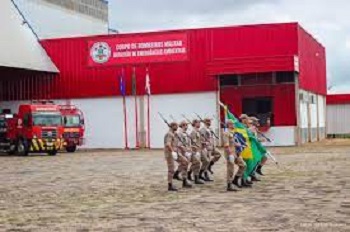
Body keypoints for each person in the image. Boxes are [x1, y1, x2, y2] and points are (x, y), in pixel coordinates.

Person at [164, 122, 191, 191]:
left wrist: (184, 149)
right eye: (176, 126)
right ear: (172, 126)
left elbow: (178, 143)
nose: (177, 127)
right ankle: (170, 185)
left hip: (177, 152)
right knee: (171, 169)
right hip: (170, 153)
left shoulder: (174, 134)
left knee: (185, 162)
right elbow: (168, 144)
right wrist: (172, 152)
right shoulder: (169, 134)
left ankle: (184, 180)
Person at [223, 120, 247, 191]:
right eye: (233, 124)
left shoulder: (232, 133)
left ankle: (235, 179)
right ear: (229, 125)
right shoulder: (226, 133)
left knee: (243, 165)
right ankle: (229, 185)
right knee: (231, 169)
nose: (234, 125)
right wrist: (230, 154)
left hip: (235, 152)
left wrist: (241, 144)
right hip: (230, 153)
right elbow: (226, 145)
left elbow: (232, 143)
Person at [188, 119, 206, 184]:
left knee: (205, 161)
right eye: (198, 123)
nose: (199, 124)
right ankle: (196, 178)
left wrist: (204, 143)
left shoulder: (198, 131)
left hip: (200, 149)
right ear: (195, 123)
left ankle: (190, 173)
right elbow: (194, 142)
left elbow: (199, 141)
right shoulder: (193, 132)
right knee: (197, 164)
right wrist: (196, 151)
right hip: (196, 150)